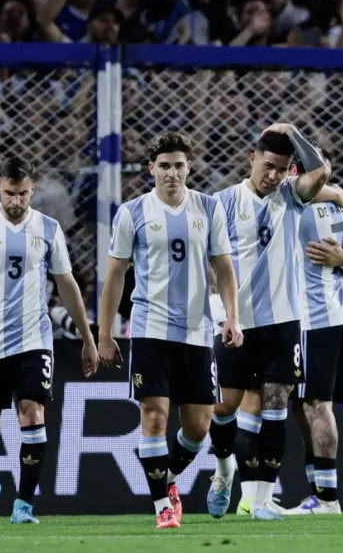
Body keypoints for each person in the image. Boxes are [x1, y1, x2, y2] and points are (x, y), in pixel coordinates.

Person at [98, 131, 243, 530]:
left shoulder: (209, 208)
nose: (172, 173)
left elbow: (225, 268)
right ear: (151, 169)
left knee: (197, 430)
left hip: (197, 332)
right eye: (164, 166)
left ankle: (168, 477)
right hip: (149, 328)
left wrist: (232, 316)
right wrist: (106, 333)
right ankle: (163, 504)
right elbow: (115, 276)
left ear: (189, 167)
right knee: (155, 418)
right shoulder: (132, 212)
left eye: (179, 165)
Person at [206, 124, 343, 521]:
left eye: (282, 169)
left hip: (284, 321)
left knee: (276, 407)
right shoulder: (223, 203)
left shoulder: (291, 197)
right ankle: (223, 469)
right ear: (252, 159)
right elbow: (212, 262)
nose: (273, 175)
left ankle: (263, 500)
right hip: (236, 322)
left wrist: (294, 132)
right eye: (268, 166)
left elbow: (322, 174)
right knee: (224, 406)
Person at [0, 157, 100, 525]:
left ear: (32, 190)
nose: (16, 201)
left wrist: (88, 337)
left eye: (23, 194)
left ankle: (24, 504)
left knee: (33, 412)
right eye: (10, 194)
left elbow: (66, 283)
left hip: (33, 339)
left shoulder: (48, 228)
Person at [283, 152, 343, 516]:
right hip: (333, 318)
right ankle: (318, 491)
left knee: (315, 405)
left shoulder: (297, 207)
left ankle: (328, 499)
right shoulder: (338, 206)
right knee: (301, 404)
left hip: (312, 321)